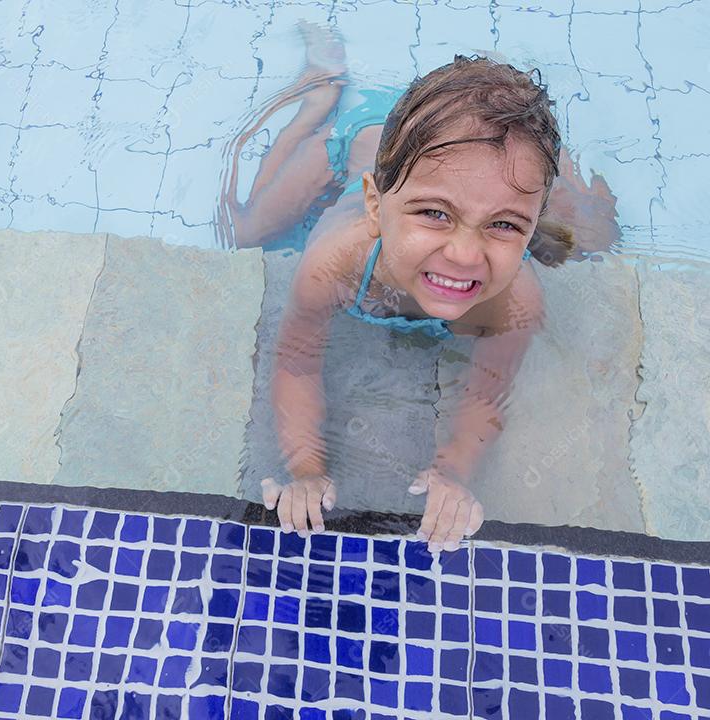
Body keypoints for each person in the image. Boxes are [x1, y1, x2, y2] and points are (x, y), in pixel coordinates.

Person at [230, 26, 601, 552]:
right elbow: (295, 360)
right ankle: (320, 95)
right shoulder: (336, 263)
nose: (464, 255)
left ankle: (542, 161)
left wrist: (452, 474)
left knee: (591, 236)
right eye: (434, 214)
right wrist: (307, 468)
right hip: (357, 142)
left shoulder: (516, 300)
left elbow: (485, 393)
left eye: (505, 225)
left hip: (445, 161)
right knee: (248, 229)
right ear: (378, 207)